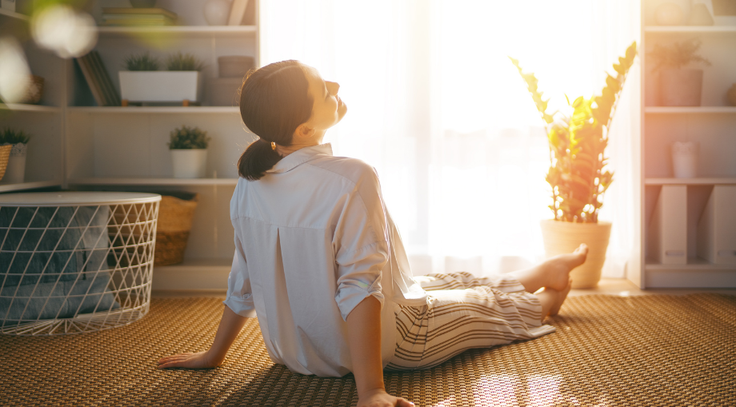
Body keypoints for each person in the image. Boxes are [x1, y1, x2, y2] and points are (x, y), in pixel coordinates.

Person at [157, 60, 588, 407]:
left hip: (292, 354)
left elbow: (243, 278)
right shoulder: (351, 177)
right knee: (484, 311)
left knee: (449, 283)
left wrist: (214, 355)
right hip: (395, 341)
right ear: (304, 130)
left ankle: (544, 270)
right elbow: (359, 287)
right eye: (323, 89)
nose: (335, 83)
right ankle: (550, 298)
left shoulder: (249, 182)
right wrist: (371, 392)